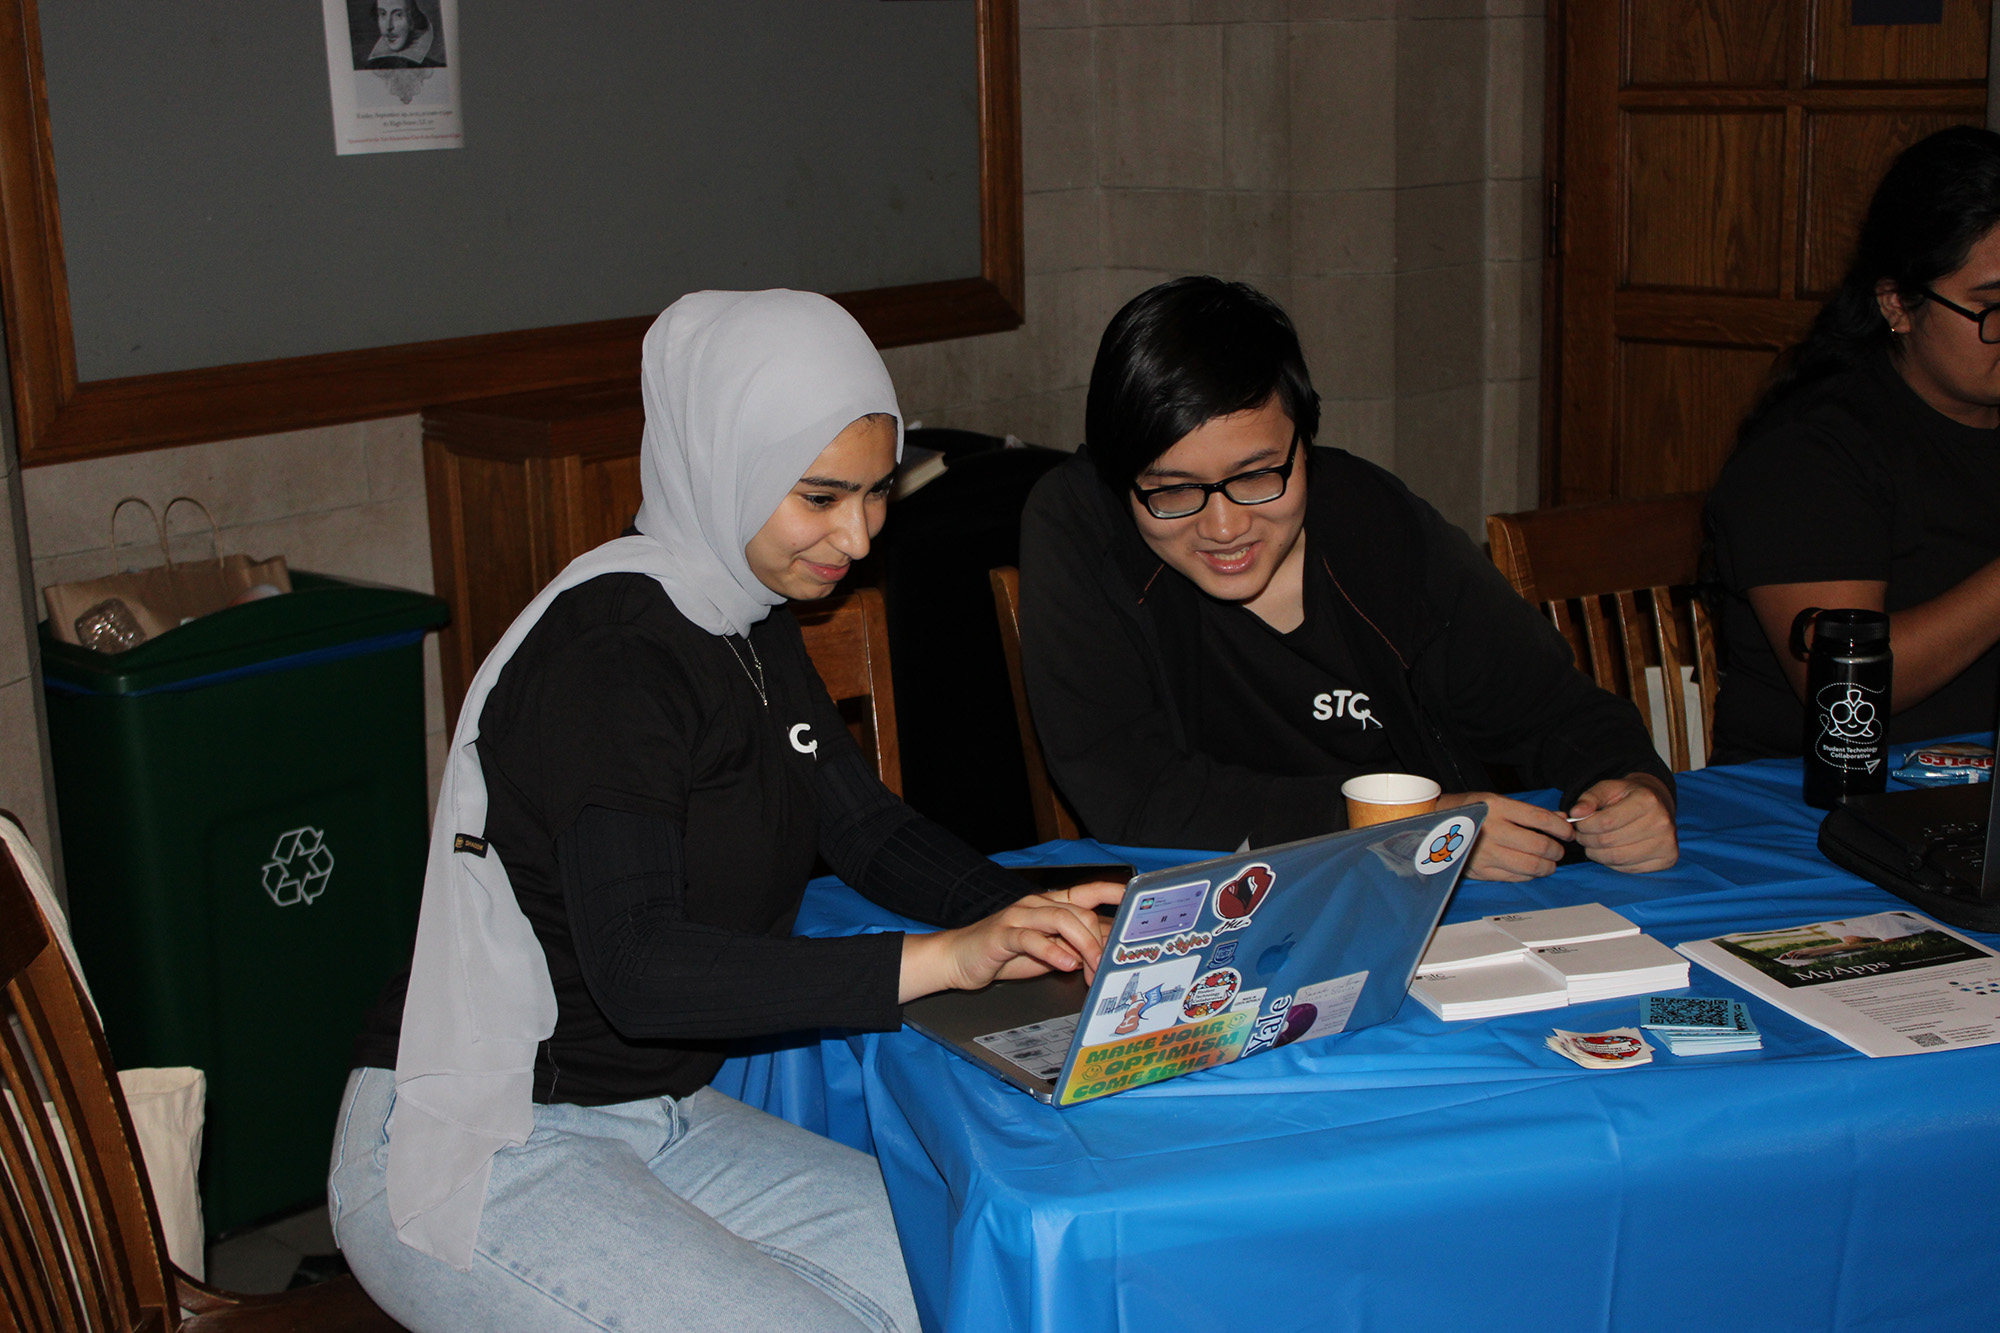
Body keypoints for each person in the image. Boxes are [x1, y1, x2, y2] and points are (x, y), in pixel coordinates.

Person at [328, 290, 1122, 1333]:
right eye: (820, 496)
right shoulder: (613, 658)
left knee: (976, 1289)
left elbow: (863, 826)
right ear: (721, 461)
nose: (859, 534)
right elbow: (641, 969)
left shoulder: (741, 615)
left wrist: (1044, 914)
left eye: (878, 493)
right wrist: (943, 958)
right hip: (482, 1135)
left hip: (656, 1117)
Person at [1019, 276, 1678, 881]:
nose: (1223, 527)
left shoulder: (1371, 520)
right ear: (1119, 475)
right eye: (1173, 490)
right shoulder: (1082, 526)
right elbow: (1134, 794)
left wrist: (1631, 784)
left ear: (1306, 444)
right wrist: (1400, 829)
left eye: (1256, 476)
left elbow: (1549, 707)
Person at [1707, 127, 2000, 762]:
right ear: (1898, 304)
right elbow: (1845, 686)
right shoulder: (1811, 452)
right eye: (1993, 308)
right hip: (1829, 799)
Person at [358, 0, 447, 69]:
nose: (389, 26)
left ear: (412, 21)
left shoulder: (434, 66)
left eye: (398, 15)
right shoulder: (371, 66)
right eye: (383, 14)